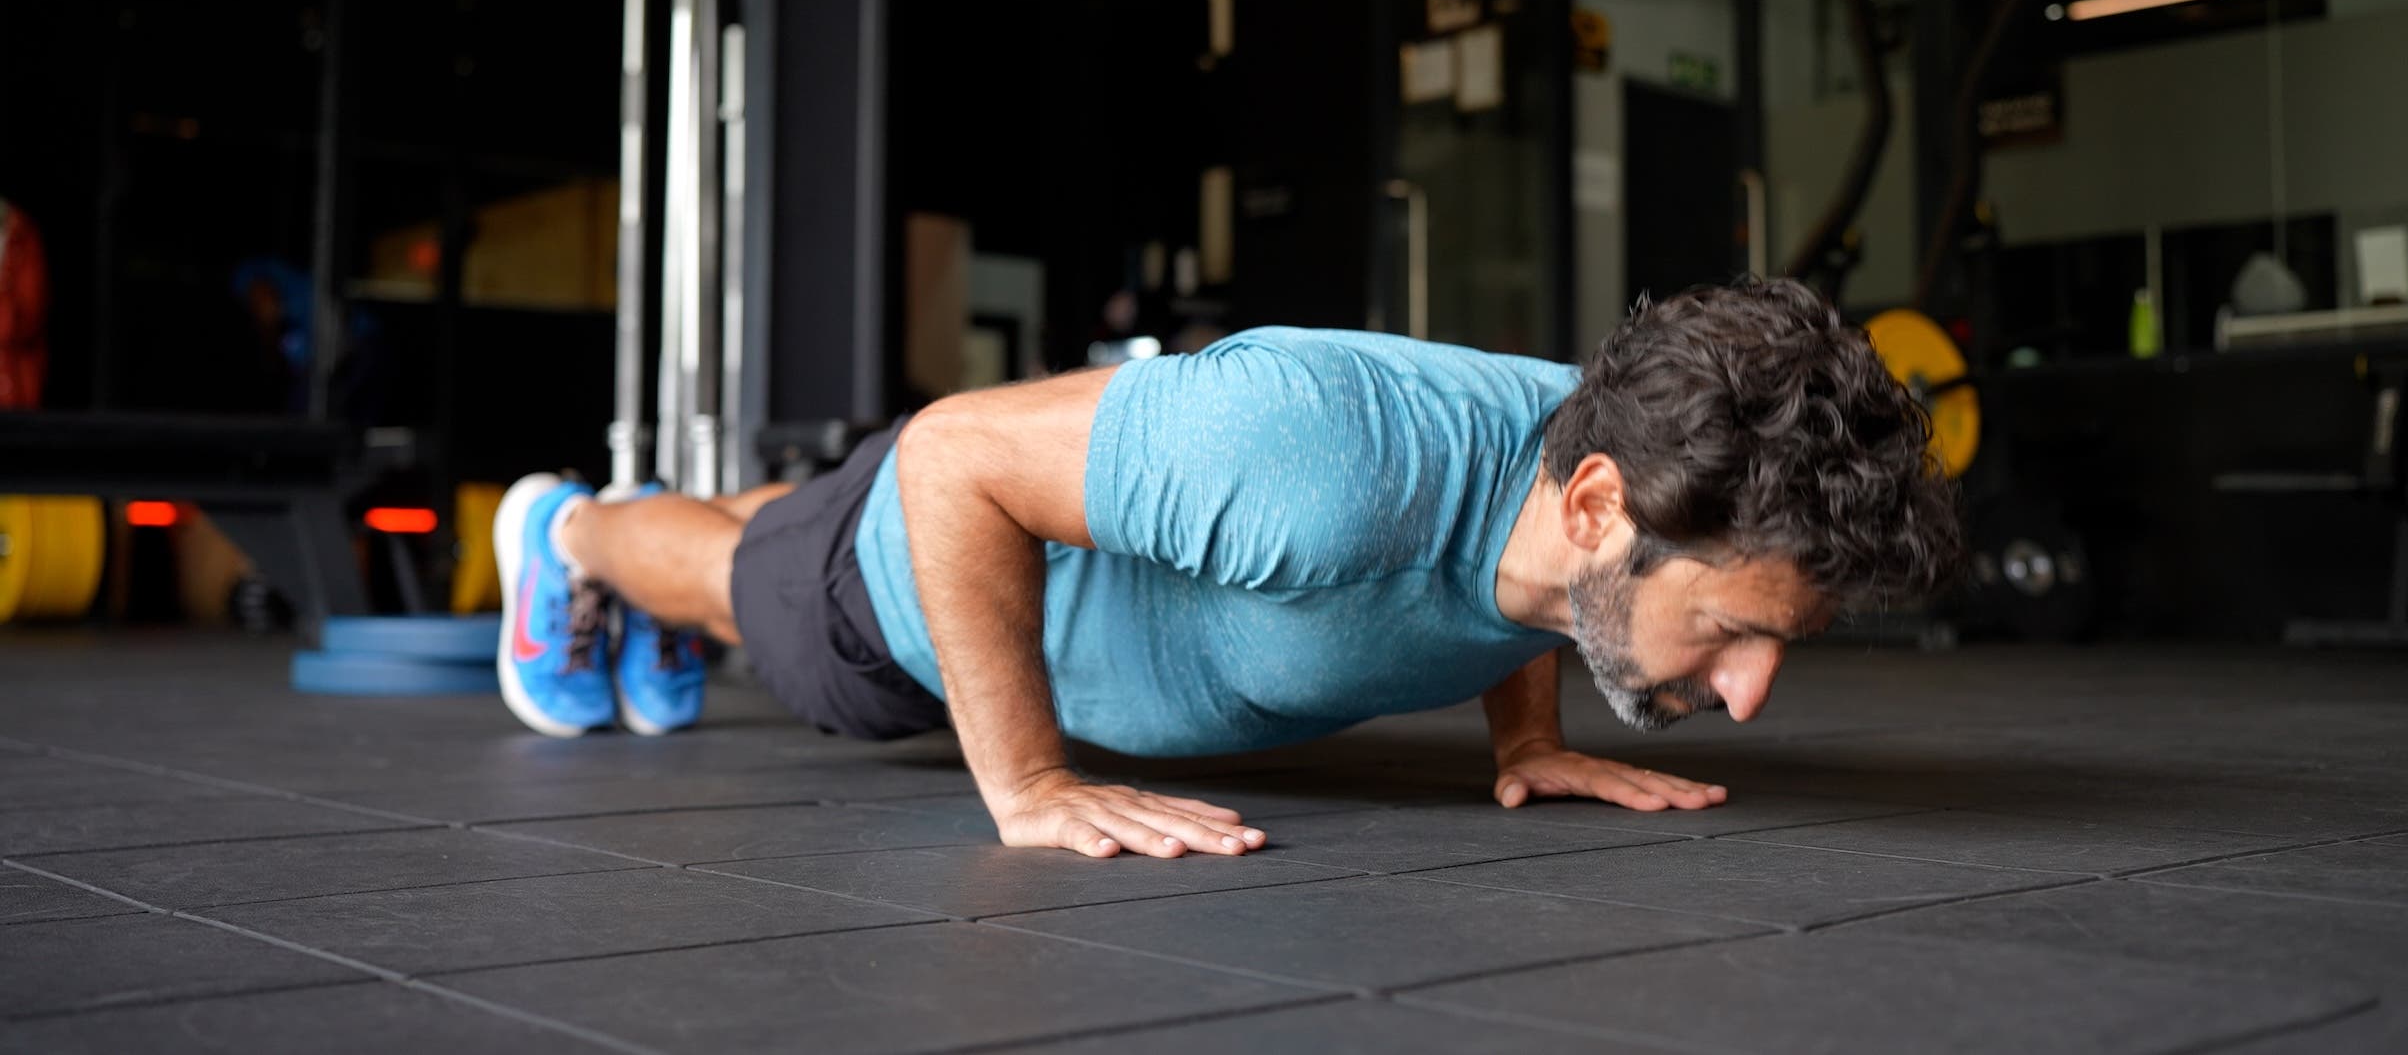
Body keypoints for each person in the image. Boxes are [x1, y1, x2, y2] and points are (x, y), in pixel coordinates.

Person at [493, 278, 1960, 858]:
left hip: (1072, 486)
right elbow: (955, 462)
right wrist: (1030, 781)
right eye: (1730, 628)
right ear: (1594, 508)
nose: (1754, 693)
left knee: (802, 508)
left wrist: (1534, 732)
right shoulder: (1317, 460)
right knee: (745, 571)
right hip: (906, 589)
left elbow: (1519, 578)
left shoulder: (1596, 466)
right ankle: (562, 529)